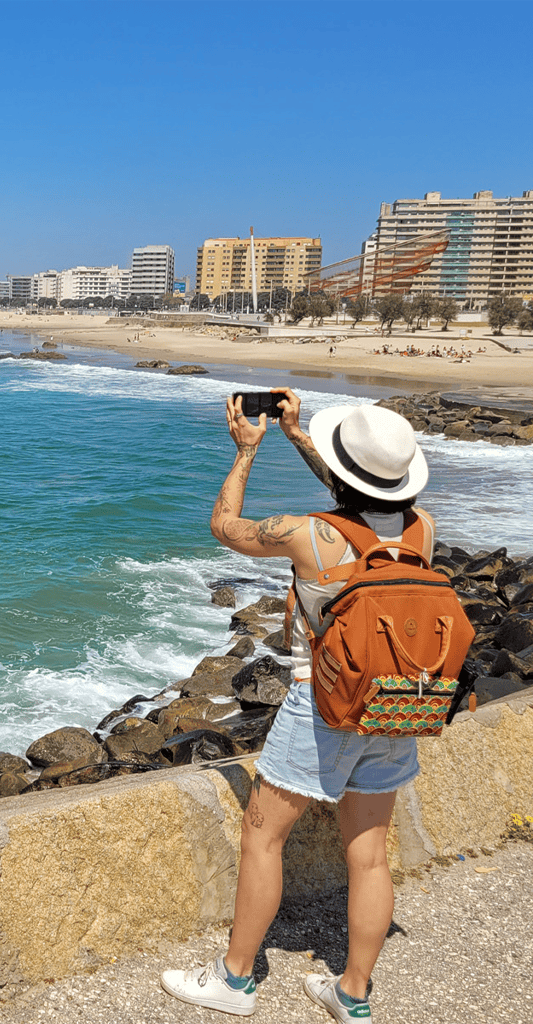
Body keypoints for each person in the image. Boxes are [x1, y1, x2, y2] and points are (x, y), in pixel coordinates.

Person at [161, 387, 434, 1022]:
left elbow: (225, 527)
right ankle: (353, 995)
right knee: (368, 851)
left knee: (263, 836)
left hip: (327, 702)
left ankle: (234, 981)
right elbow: (362, 506)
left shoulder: (307, 536)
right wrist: (300, 436)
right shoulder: (422, 531)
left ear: (341, 473)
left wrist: (247, 451)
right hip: (399, 702)